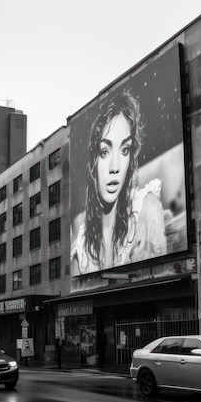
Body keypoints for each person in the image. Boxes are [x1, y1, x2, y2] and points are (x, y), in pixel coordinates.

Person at [71, 89, 168, 275]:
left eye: (124, 150)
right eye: (104, 152)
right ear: (93, 161)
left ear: (131, 157)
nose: (114, 167)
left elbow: (152, 283)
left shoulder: (147, 210)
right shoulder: (81, 248)